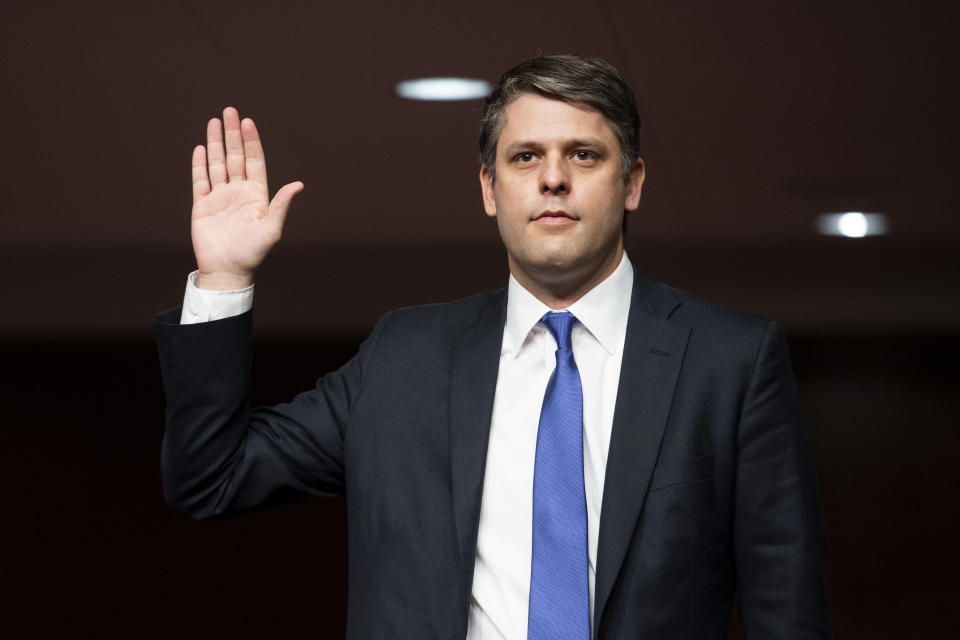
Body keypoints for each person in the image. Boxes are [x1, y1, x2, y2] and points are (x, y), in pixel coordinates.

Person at [155, 54, 830, 639]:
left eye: (585, 155)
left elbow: (787, 610)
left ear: (633, 184)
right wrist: (223, 277)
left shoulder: (731, 361)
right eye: (526, 156)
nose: (554, 178)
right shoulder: (403, 357)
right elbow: (210, 478)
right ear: (489, 188)